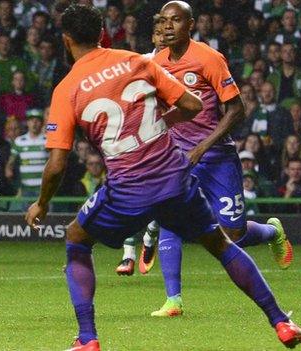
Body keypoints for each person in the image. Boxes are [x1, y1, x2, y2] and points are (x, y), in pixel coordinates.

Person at [24, 4, 301, 350]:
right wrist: (155, 128)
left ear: (66, 41)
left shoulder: (67, 88)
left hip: (129, 187)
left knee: (77, 238)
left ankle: (87, 339)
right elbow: (192, 106)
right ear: (101, 34)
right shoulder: (138, 61)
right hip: (175, 176)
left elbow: (56, 165)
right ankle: (281, 322)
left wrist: (41, 203)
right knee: (220, 243)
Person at [149, 1, 294, 318]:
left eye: (177, 20)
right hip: (178, 158)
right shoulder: (157, 62)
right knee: (170, 219)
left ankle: (272, 232)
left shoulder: (208, 58)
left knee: (234, 234)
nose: (169, 26)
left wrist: (201, 147)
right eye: (165, 20)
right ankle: (174, 300)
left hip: (216, 157)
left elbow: (237, 110)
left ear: (191, 24)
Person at [116, 14, 166, 276]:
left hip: (175, 139)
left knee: (165, 198)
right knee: (130, 192)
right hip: (144, 138)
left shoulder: (188, 63)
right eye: (159, 32)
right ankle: (128, 255)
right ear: (153, 37)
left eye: (168, 32)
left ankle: (150, 237)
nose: (164, 36)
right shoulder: (144, 63)